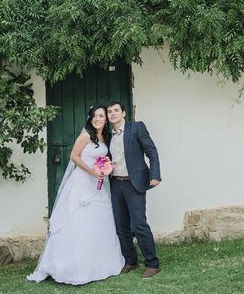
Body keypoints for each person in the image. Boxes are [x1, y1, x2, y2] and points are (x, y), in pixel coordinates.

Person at [27, 105, 124, 285]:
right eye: (95, 116)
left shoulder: (106, 136)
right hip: (82, 183)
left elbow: (103, 157)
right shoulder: (86, 135)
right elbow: (74, 157)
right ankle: (72, 266)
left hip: (98, 186)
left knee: (99, 221)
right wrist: (92, 171)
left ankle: (100, 263)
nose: (98, 119)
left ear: (106, 119)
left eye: (101, 116)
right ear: (90, 118)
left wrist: (105, 167)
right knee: (78, 221)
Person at [107, 100, 161, 279]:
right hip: (116, 184)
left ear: (123, 113)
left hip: (134, 183)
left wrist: (154, 175)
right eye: (109, 112)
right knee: (121, 225)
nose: (112, 114)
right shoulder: (108, 136)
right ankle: (130, 260)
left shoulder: (136, 128)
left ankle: (152, 263)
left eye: (116, 110)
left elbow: (151, 151)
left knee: (139, 224)